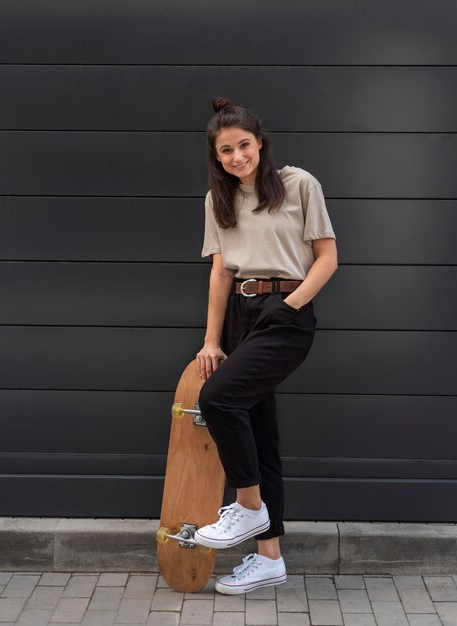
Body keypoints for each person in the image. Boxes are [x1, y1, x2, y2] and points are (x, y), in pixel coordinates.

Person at [194, 97, 338, 595]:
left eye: (244, 146)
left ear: (260, 144)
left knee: (218, 399)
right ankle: (269, 558)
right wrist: (212, 340)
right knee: (260, 434)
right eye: (226, 151)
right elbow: (220, 272)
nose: (237, 157)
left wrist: (291, 304)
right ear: (217, 157)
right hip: (239, 312)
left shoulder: (300, 185)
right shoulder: (218, 201)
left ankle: (250, 507)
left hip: (285, 311)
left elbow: (327, 257)